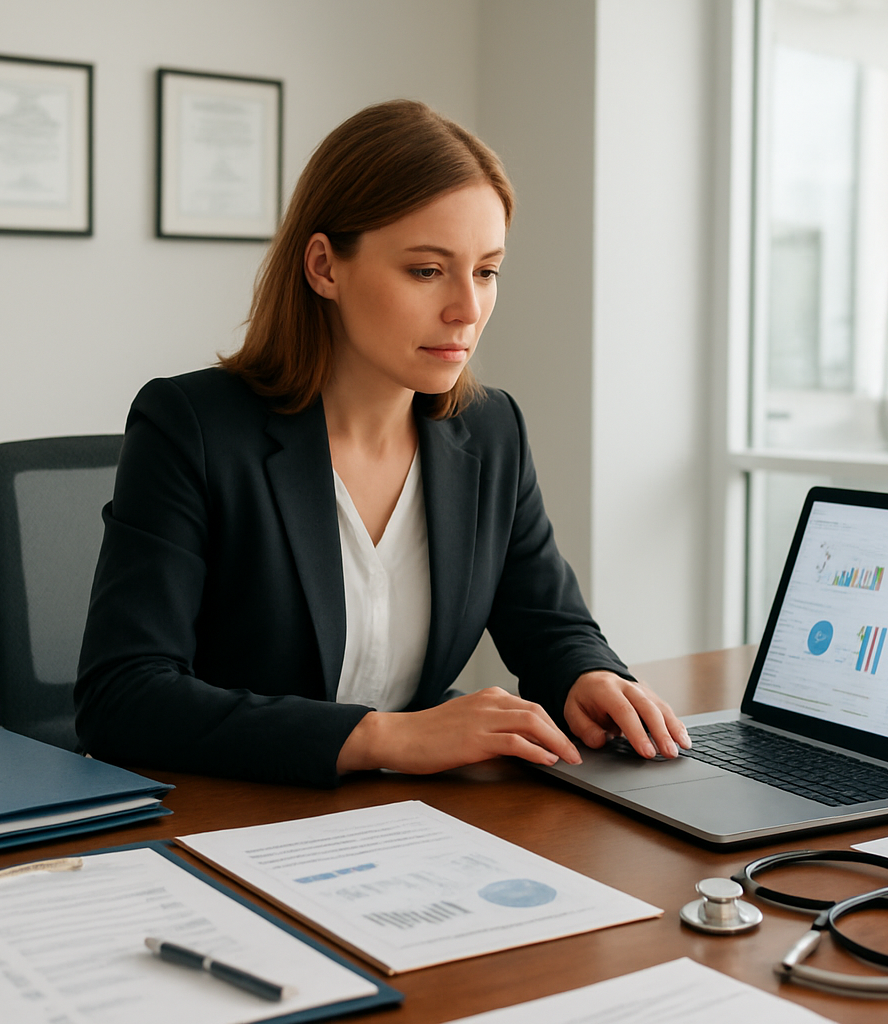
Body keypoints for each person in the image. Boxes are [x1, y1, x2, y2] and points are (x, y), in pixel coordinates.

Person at [75, 99, 690, 787]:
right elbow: (121, 697)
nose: (467, 308)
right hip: (232, 813)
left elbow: (547, 623)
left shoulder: (490, 431)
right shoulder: (191, 425)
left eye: (486, 270)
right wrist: (384, 738)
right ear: (324, 267)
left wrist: (588, 674)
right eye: (427, 271)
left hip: (411, 826)